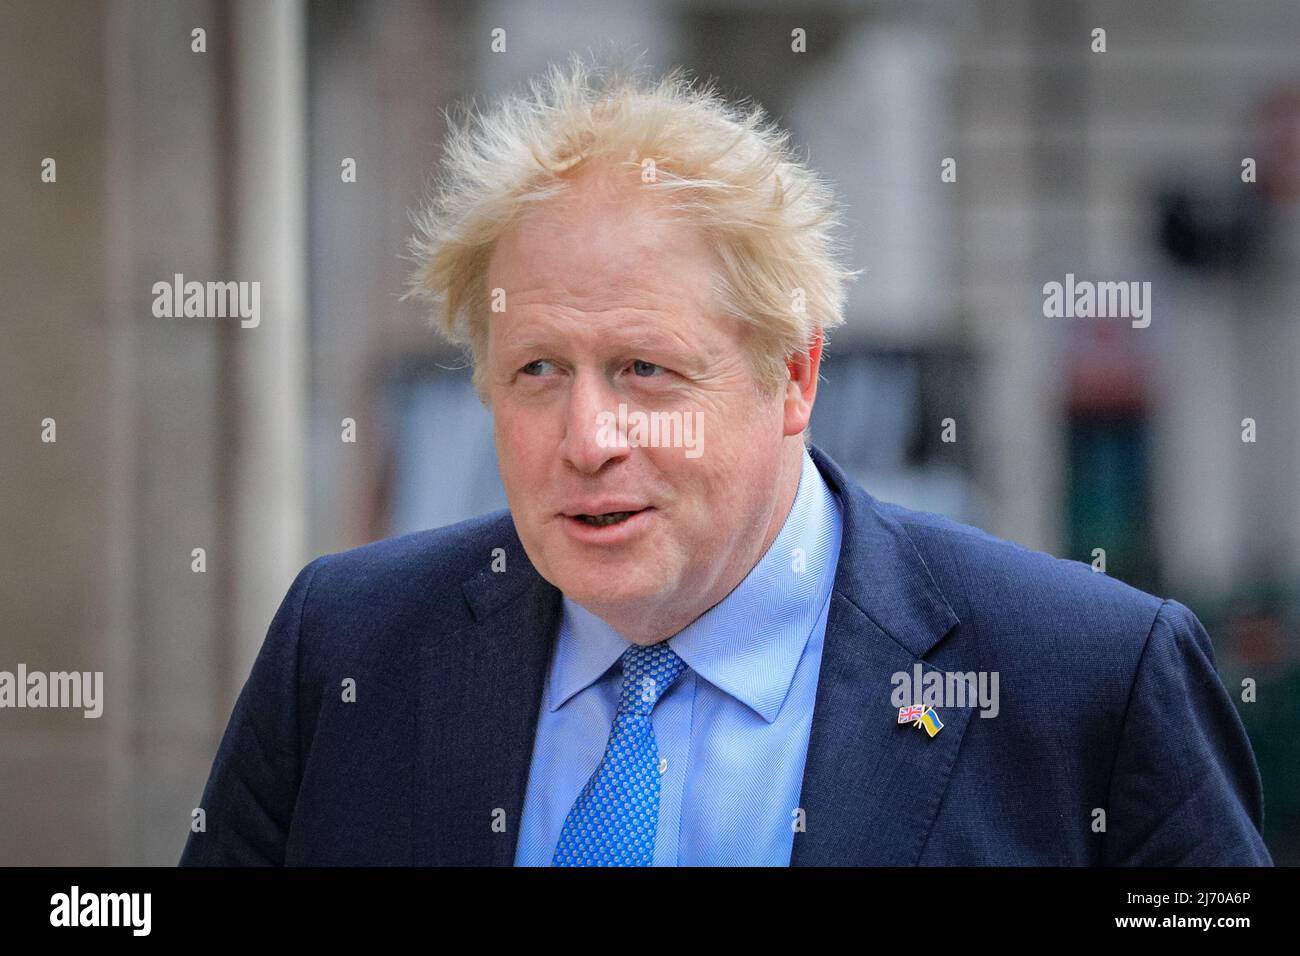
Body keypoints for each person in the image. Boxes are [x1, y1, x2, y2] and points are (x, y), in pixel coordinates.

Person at [180, 56, 1271, 866]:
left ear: (793, 378)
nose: (590, 437)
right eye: (538, 371)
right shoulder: (348, 643)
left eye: (647, 368)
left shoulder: (1086, 677)